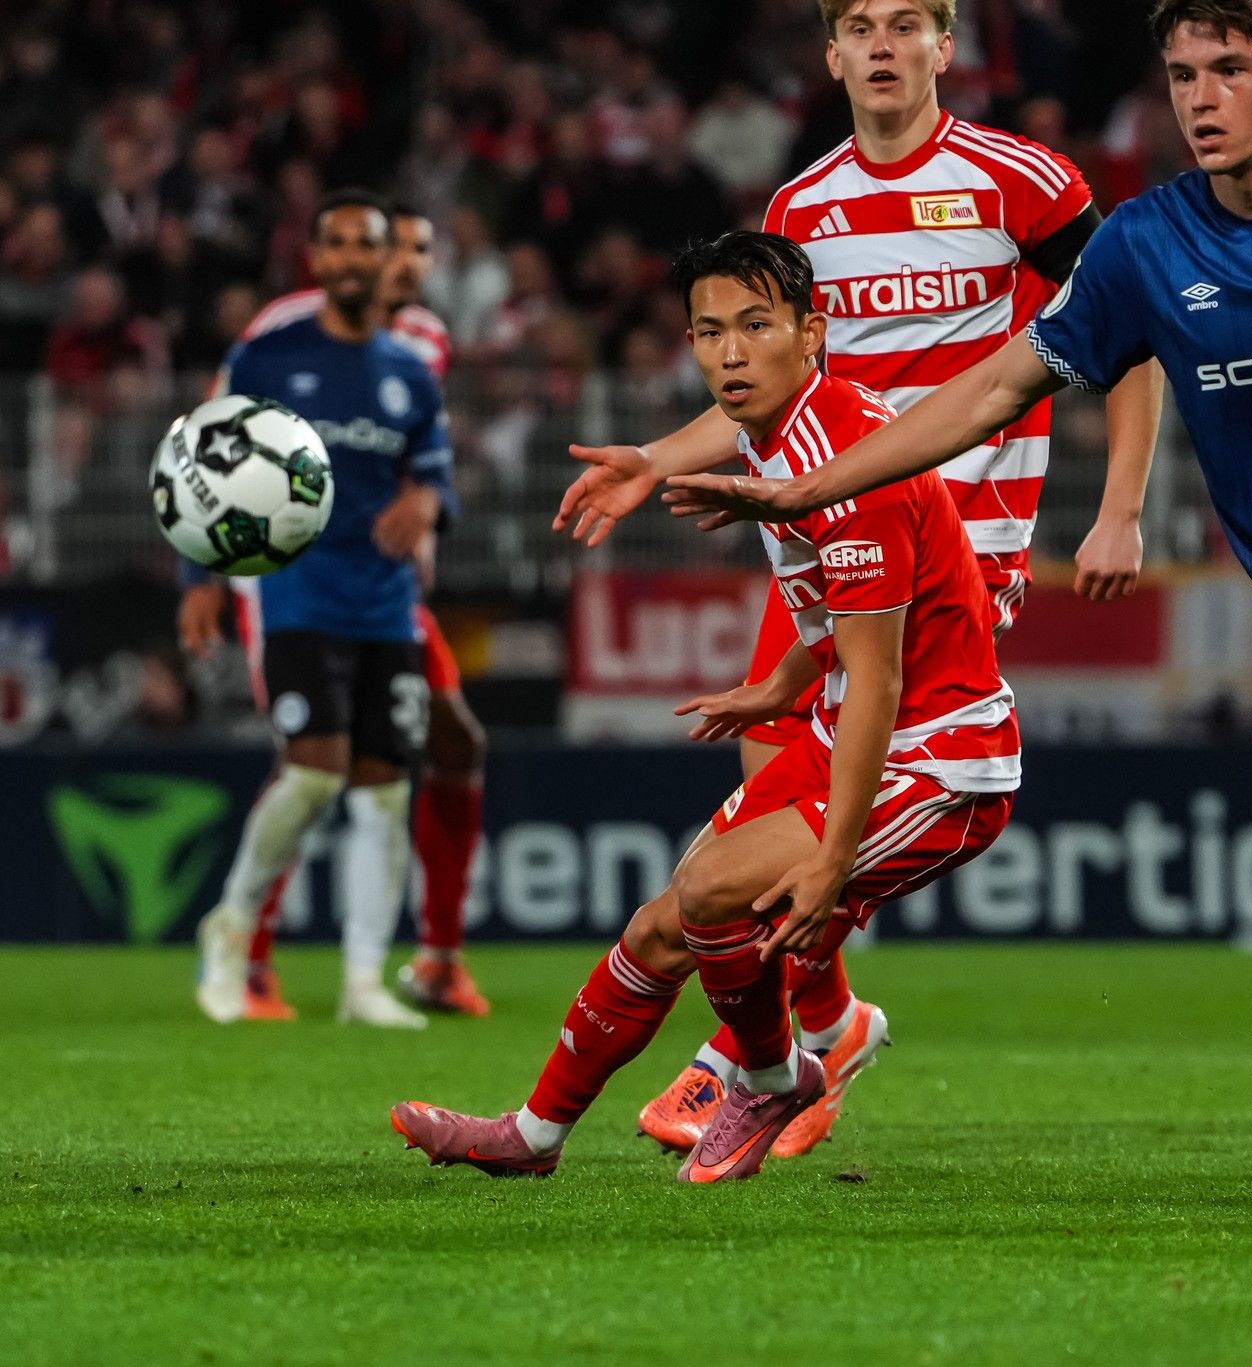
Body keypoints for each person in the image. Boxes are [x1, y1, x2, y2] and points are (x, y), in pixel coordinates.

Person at [666, 0, 1252, 1116]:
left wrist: (1115, 506)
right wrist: (808, 486)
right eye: (1181, 75)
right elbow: (993, 388)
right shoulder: (1145, 247)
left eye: (1231, 69)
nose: (1201, 99)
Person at [555, 0, 1164, 1158]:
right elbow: (766, 386)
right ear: (830, 54)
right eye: (861, 27)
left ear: (945, 46)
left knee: (836, 802)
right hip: (830, 533)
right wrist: (655, 457)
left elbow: (1120, 330)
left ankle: (752, 1054)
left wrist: (1120, 505)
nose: (883, 45)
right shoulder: (801, 208)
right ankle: (827, 1028)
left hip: (960, 538)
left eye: (907, 23)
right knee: (770, 776)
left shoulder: (1021, 181)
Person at [391, 231, 1018, 1181]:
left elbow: (881, 681)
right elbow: (861, 625)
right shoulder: (779, 431)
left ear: (812, 333)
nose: (730, 352)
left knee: (714, 892)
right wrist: (785, 683)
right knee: (659, 926)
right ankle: (532, 1135)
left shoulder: (852, 461)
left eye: (755, 326)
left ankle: (771, 1077)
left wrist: (834, 861)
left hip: (940, 763)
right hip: (852, 726)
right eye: (710, 331)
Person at [204, 204, 490, 1021]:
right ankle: (247, 952)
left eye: (419, 249)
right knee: (311, 764)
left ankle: (422, 964)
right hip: (290, 578)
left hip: (387, 588)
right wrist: (215, 570)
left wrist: (427, 508)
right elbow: (215, 443)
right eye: (388, 245)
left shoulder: (423, 346)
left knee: (438, 751)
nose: (405, 262)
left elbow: (423, 464)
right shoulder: (280, 333)